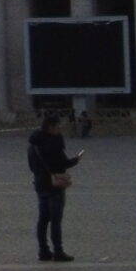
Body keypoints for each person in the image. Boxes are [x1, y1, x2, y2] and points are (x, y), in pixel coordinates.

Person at [26, 112, 80, 262]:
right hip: (54, 187)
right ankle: (58, 251)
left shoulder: (32, 144)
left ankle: (43, 250)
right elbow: (62, 163)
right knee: (55, 220)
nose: (60, 130)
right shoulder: (52, 143)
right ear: (50, 127)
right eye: (58, 127)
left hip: (40, 184)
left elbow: (31, 166)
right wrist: (76, 160)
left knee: (42, 220)